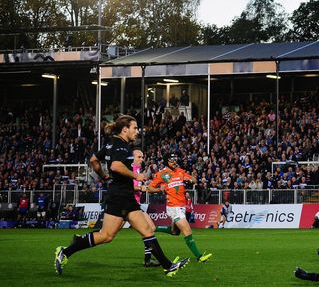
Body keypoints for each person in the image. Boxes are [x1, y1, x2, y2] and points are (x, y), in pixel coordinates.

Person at [54, 115, 188, 277]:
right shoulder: (122, 147)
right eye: (135, 128)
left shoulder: (111, 143)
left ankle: (168, 266)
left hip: (123, 195)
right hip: (120, 196)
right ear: (125, 129)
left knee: (145, 230)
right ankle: (66, 252)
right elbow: (116, 166)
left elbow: (94, 160)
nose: (137, 131)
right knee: (107, 236)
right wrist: (135, 176)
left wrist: (104, 176)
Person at [149, 154, 212, 262]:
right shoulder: (161, 174)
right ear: (166, 161)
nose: (174, 162)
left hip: (182, 206)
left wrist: (192, 179)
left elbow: (193, 179)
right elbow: (150, 188)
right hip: (174, 207)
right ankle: (199, 257)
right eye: (172, 160)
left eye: (175, 160)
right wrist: (159, 189)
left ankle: (154, 228)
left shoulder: (180, 171)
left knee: (175, 232)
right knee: (187, 230)